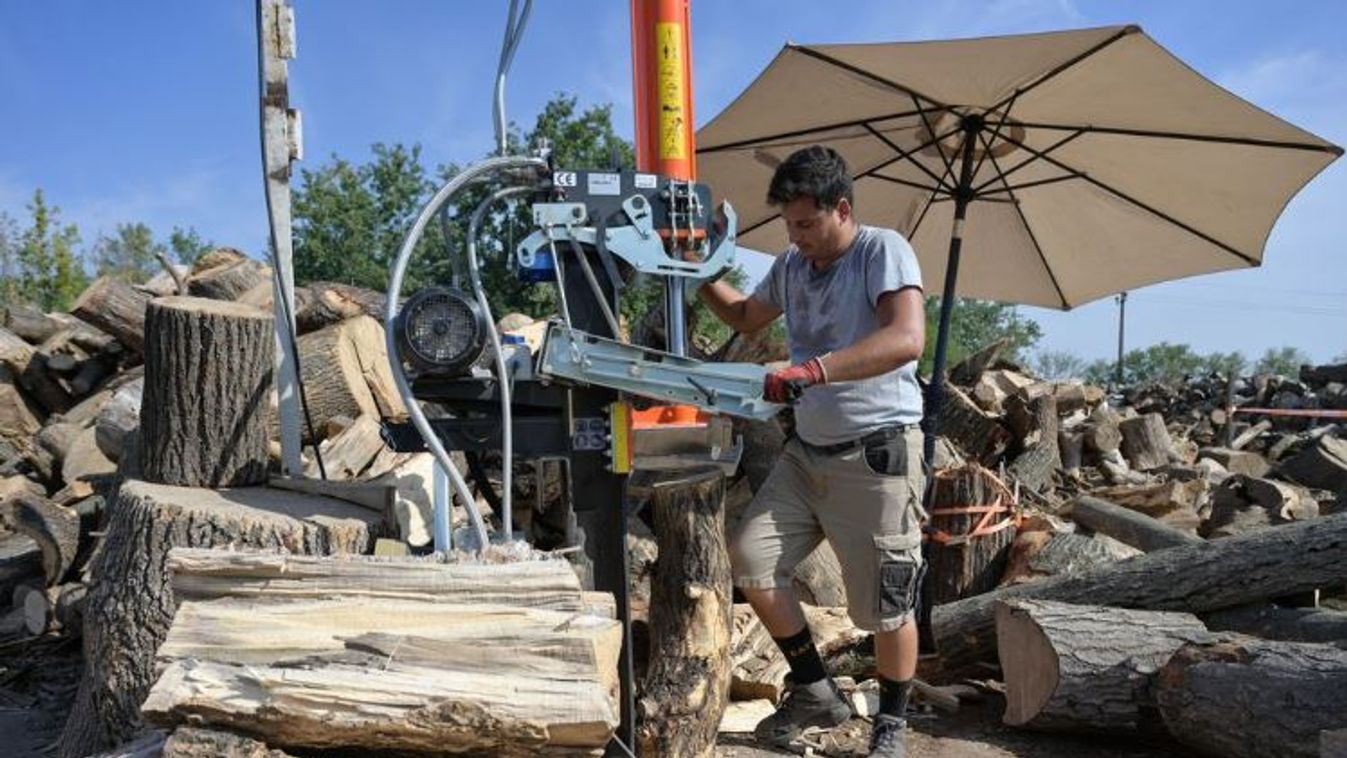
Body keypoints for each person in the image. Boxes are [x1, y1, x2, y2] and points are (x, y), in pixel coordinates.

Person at [693, 145, 926, 757]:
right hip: (810, 451)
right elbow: (745, 316)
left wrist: (812, 371)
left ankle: (891, 726)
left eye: (805, 224)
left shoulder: (882, 251)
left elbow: (906, 339)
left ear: (841, 209)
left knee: (887, 605)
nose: (795, 238)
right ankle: (817, 689)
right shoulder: (794, 265)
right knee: (752, 557)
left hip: (876, 452)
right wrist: (694, 272)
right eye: (788, 226)